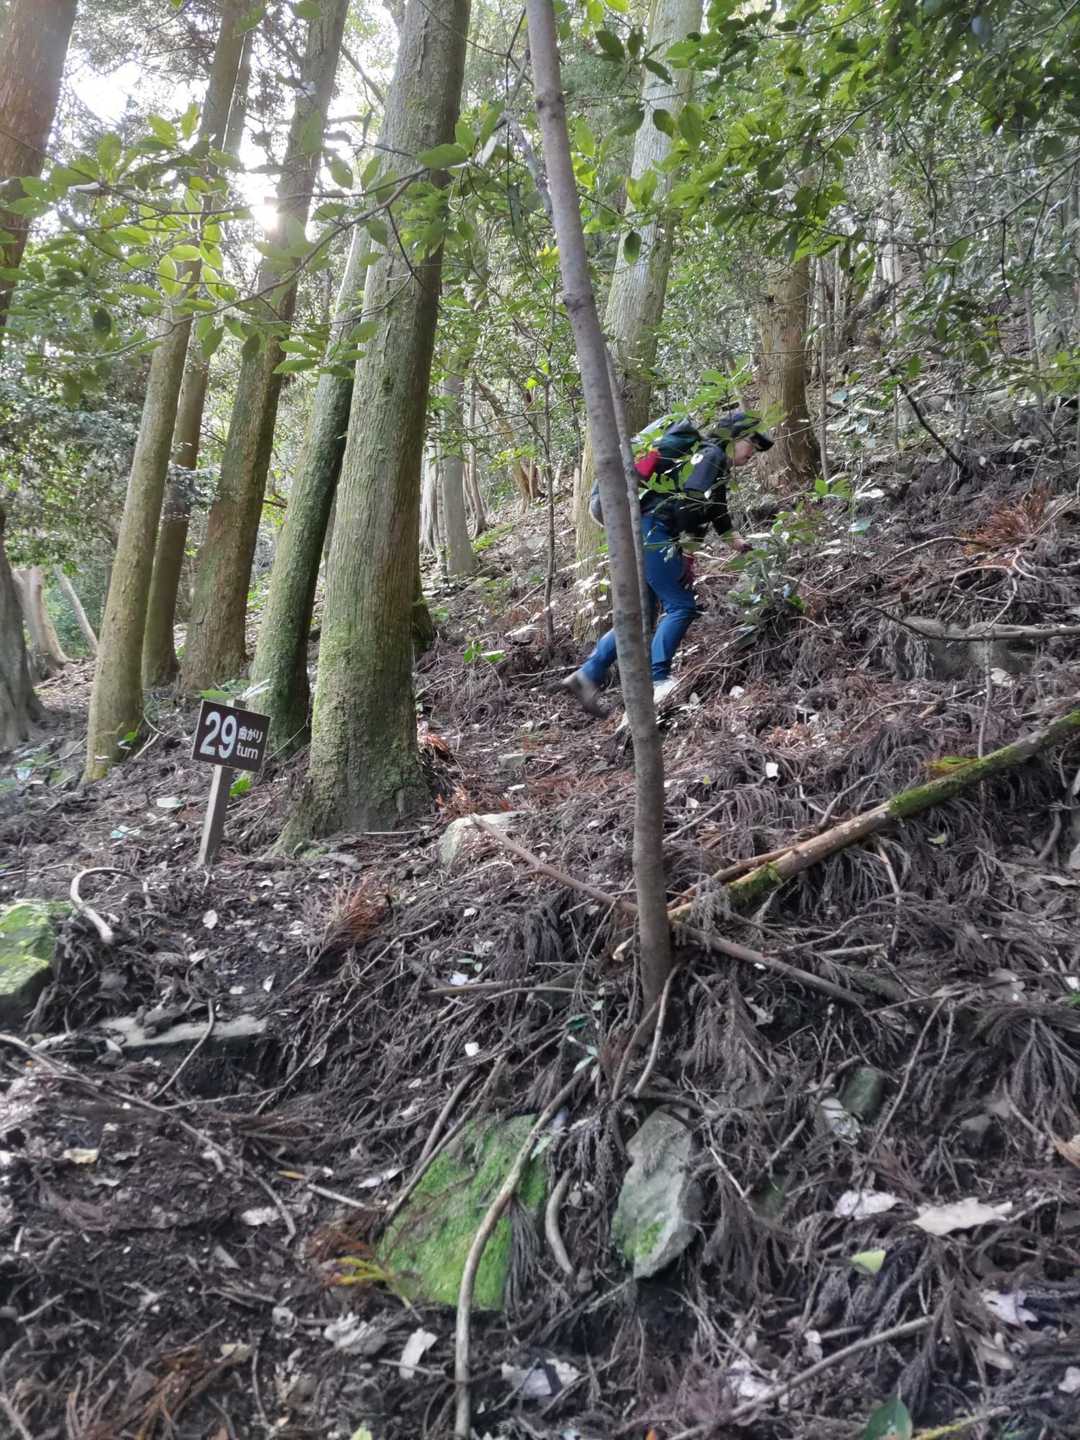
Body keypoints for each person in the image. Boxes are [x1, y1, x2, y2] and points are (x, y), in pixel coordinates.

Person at [561, 409, 773, 718]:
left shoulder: (710, 461)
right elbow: (694, 503)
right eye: (750, 443)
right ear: (733, 438)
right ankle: (659, 679)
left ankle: (587, 675)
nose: (752, 453)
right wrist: (687, 551)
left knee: (640, 616)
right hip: (654, 529)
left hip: (639, 528)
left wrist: (735, 542)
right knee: (681, 606)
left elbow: (717, 510)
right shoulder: (711, 454)